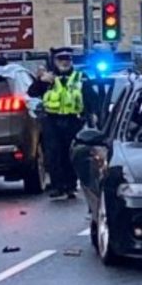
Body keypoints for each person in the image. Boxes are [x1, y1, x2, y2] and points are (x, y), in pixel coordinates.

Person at [29, 48, 97, 200]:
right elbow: (32, 93)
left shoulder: (80, 77)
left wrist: (92, 114)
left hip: (73, 120)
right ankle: (58, 186)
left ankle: (71, 186)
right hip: (52, 121)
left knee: (71, 154)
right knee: (53, 154)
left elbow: (91, 97)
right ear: (55, 61)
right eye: (61, 59)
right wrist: (40, 81)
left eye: (68, 59)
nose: (65, 62)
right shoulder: (48, 78)